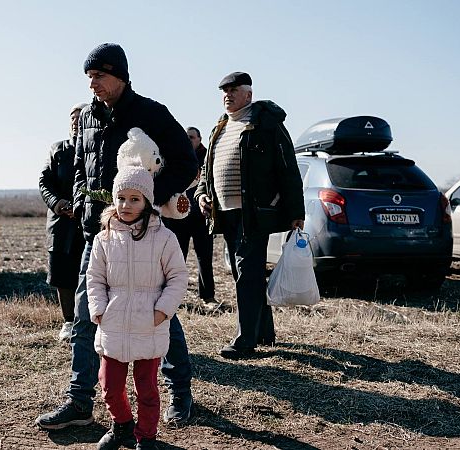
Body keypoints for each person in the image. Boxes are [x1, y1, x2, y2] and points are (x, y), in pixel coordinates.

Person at [35, 43, 198, 430]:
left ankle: (180, 393)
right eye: (89, 77)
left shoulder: (151, 113)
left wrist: (148, 199)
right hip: (99, 233)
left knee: (160, 316)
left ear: (121, 76)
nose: (93, 84)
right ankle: (79, 401)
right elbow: (80, 166)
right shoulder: (87, 117)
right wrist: (81, 202)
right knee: (85, 317)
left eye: (99, 76)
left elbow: (186, 163)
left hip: (144, 235)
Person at [195, 72, 305, 360]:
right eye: (224, 91)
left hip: (254, 213)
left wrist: (296, 211)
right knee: (244, 273)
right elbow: (207, 169)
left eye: (234, 90)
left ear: (248, 94)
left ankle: (245, 340)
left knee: (246, 274)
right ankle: (264, 332)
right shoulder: (220, 127)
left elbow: (288, 167)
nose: (227, 95)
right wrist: (202, 194)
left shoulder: (266, 123)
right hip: (225, 213)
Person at [88, 163, 188, 450]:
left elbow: (178, 277)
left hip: (149, 323)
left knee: (146, 388)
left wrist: (162, 311)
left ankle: (146, 436)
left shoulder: (164, 238)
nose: (126, 205)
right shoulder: (104, 238)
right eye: (121, 198)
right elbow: (94, 277)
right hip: (113, 322)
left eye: (134, 199)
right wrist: (99, 309)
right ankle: (122, 426)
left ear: (147, 201)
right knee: (109, 385)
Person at [39, 103, 89, 342]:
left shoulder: (95, 148)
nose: (75, 121)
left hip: (88, 223)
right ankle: (68, 321)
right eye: (72, 117)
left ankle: (88, 321)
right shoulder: (58, 149)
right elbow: (44, 182)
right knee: (63, 276)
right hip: (60, 224)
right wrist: (58, 203)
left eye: (80, 117)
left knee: (90, 274)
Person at [162, 127, 217, 311]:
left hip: (202, 216)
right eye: (186, 137)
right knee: (178, 259)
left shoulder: (207, 158)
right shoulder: (177, 156)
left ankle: (208, 296)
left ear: (199, 139)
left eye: (192, 137)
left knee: (205, 258)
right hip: (179, 217)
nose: (189, 140)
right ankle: (174, 295)